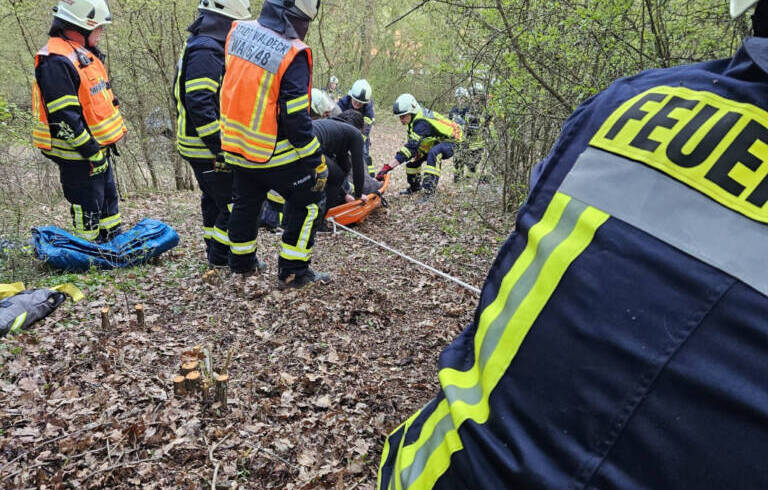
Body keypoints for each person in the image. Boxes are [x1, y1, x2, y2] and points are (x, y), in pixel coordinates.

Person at [378, 1, 768, 488]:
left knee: (434, 159)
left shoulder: (626, 104)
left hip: (435, 473)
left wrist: (394, 170)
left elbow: (422, 147)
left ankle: (429, 186)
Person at [220, 0, 328, 289]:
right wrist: (315, 161)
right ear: (298, 18)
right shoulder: (293, 52)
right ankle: (294, 272)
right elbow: (296, 120)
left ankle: (241, 264)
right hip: (270, 151)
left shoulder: (238, 31)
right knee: (309, 202)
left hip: (236, 144)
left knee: (246, 202)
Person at [32, 0, 127, 242]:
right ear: (81, 27)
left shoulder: (80, 54)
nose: (102, 33)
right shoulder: (55, 61)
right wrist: (90, 150)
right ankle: (88, 253)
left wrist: (99, 150)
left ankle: (113, 243)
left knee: (107, 197)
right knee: (87, 203)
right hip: (79, 153)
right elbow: (65, 117)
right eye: (99, 28)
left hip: (97, 149)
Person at [174, 0, 251, 267]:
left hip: (199, 144)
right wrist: (220, 146)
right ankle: (220, 258)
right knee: (232, 203)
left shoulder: (203, 43)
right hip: (205, 145)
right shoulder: (207, 50)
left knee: (215, 201)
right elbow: (200, 103)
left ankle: (213, 252)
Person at [376, 94, 462, 201]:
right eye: (400, 117)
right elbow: (413, 147)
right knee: (413, 161)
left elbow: (410, 148)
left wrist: (388, 167)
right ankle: (415, 187)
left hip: (452, 141)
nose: (401, 119)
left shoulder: (421, 123)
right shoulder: (414, 119)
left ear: (411, 112)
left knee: (434, 153)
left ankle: (429, 192)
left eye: (403, 116)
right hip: (436, 140)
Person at [313, 110, 370, 208]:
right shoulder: (355, 133)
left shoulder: (333, 128)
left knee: (335, 173)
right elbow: (358, 167)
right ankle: (322, 218)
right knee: (337, 177)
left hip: (296, 146)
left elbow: (343, 166)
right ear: (359, 128)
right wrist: (358, 195)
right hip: (311, 148)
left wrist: (344, 194)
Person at [338, 79, 376, 175]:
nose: (357, 104)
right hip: (344, 131)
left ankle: (370, 176)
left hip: (360, 133)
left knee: (363, 154)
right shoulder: (343, 103)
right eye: (356, 100)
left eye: (361, 103)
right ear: (351, 95)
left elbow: (366, 130)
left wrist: (357, 142)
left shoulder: (368, 109)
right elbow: (335, 121)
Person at [449, 86, 484, 182]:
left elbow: (474, 124)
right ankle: (457, 179)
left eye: (462, 98)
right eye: (458, 98)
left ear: (466, 98)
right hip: (457, 141)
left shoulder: (470, 109)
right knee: (457, 162)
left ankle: (469, 180)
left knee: (471, 163)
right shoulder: (453, 110)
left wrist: (464, 123)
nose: (460, 100)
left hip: (468, 141)